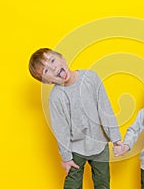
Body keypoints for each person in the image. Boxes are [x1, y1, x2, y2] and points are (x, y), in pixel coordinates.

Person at [28, 48, 122, 189]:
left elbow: (105, 109)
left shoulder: (91, 78)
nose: (53, 68)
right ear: (46, 82)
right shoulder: (56, 97)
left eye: (52, 60)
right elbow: (61, 130)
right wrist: (66, 157)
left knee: (103, 183)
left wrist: (115, 138)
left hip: (99, 143)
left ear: (62, 58)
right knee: (72, 184)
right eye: (46, 71)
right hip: (75, 148)